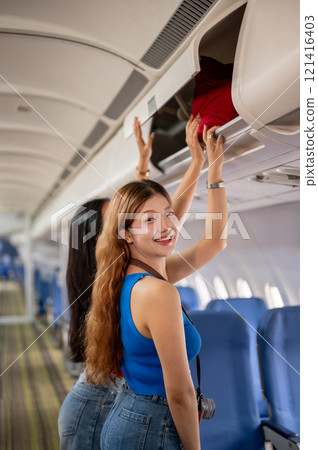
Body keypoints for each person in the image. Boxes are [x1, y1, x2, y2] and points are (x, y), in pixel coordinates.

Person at [58, 114, 206, 449]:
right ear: (110, 234)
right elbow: (157, 220)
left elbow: (153, 217)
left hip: (114, 404)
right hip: (96, 406)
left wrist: (145, 170)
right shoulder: (115, 275)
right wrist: (196, 166)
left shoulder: (118, 273)